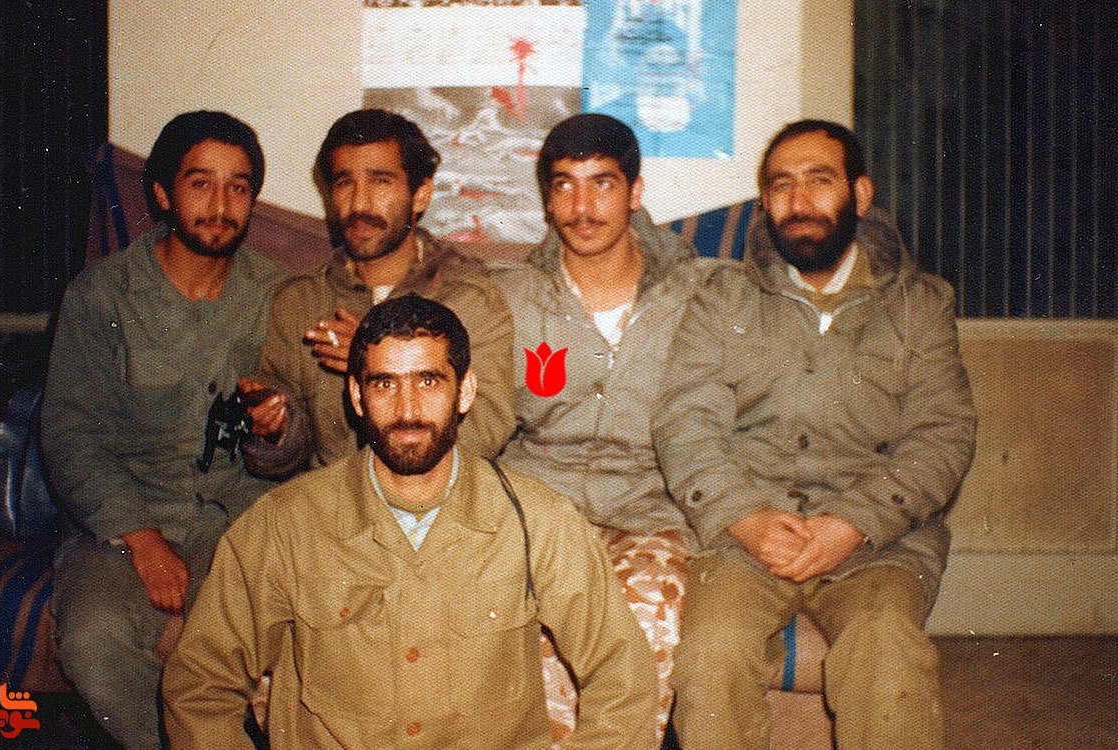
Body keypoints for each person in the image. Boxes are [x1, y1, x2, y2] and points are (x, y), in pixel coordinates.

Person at [162, 295, 658, 749]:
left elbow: (624, 678)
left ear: (465, 391)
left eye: (428, 381)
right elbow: (199, 687)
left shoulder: (538, 522)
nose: (407, 410)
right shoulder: (284, 526)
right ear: (357, 396)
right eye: (385, 384)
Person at [653, 119, 977, 750]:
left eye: (819, 180)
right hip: (745, 536)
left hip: (877, 541)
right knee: (710, 656)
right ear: (764, 202)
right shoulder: (723, 299)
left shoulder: (921, 305)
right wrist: (744, 517)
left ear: (860, 195)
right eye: (781, 185)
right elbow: (685, 421)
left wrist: (852, 523)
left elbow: (943, 435)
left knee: (886, 652)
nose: (798, 201)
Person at [41, 110, 286, 749]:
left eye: (238, 187)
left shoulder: (279, 295)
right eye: (200, 183)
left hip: (238, 517)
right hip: (124, 520)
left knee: (239, 637)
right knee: (93, 640)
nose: (220, 205)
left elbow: (307, 435)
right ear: (162, 193)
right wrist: (142, 538)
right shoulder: (103, 295)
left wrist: (277, 424)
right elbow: (70, 432)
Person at [495, 113, 713, 743]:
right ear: (547, 200)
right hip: (537, 511)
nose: (582, 207)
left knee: (646, 626)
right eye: (564, 185)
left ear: (636, 191)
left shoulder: (700, 293)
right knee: (535, 643)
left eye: (602, 184)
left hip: (652, 512)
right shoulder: (508, 297)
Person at [240, 108, 513, 477]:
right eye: (344, 183)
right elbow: (282, 460)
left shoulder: (470, 297)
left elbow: (485, 432)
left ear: (420, 195)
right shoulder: (300, 301)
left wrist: (376, 358)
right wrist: (274, 429)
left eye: (380, 182)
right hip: (331, 502)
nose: (359, 204)